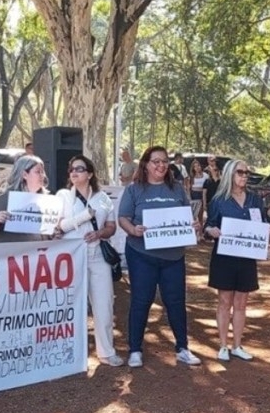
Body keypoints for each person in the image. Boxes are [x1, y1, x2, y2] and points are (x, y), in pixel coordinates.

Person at [118, 146, 201, 368]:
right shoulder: (135, 189)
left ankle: (182, 347)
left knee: (175, 302)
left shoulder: (176, 189)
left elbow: (188, 219)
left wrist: (194, 225)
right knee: (141, 300)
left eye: (164, 161)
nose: (161, 165)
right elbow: (123, 218)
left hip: (173, 256)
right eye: (156, 161)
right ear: (145, 164)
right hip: (141, 254)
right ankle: (135, 349)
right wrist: (132, 229)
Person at [204, 160, 270, 362]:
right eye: (240, 172)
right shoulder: (219, 200)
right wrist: (212, 231)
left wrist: (269, 229)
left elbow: (261, 223)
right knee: (224, 301)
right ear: (230, 174)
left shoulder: (254, 200)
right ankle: (223, 346)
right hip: (224, 258)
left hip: (246, 258)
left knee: (241, 303)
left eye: (247, 172)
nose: (244, 176)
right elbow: (208, 227)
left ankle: (237, 345)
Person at [55, 155, 122, 366]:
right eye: (71, 169)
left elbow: (112, 227)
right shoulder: (63, 196)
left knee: (104, 304)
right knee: (69, 303)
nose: (74, 172)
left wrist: (100, 233)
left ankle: (106, 351)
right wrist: (84, 216)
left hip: (97, 255)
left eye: (80, 169)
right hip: (71, 256)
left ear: (90, 174)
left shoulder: (102, 198)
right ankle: (67, 353)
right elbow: (58, 227)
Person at [0, 155, 49, 243]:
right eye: (38, 172)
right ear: (24, 174)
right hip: (9, 253)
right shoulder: (8, 197)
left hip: (35, 253)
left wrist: (54, 234)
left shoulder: (46, 200)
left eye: (43, 172)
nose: (42, 175)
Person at [189, 159, 209, 224]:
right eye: (195, 166)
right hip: (195, 194)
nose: (197, 168)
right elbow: (189, 188)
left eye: (198, 166)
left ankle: (201, 229)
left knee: (202, 213)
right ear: (193, 168)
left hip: (203, 194)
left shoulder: (205, 175)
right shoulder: (192, 177)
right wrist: (189, 198)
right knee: (196, 213)